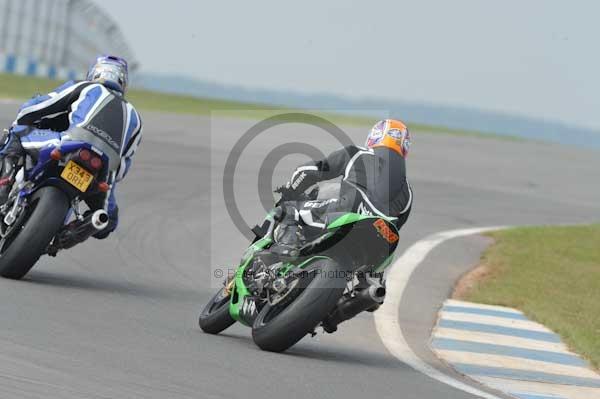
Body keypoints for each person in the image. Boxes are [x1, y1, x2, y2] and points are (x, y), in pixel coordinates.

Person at [0, 55, 142, 239]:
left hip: (66, 145)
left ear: (95, 72)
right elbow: (122, 168)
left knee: (16, 133)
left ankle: (3, 188)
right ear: (123, 83)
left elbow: (39, 106)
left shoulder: (87, 87)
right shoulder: (136, 119)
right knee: (108, 221)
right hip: (102, 172)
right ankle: (72, 232)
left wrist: (25, 116)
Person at [274, 119, 412, 248]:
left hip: (348, 212)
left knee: (288, 210)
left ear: (375, 136)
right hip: (381, 239)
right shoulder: (408, 192)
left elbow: (309, 171)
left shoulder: (358, 153)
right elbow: (397, 226)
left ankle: (287, 248)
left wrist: (290, 190)